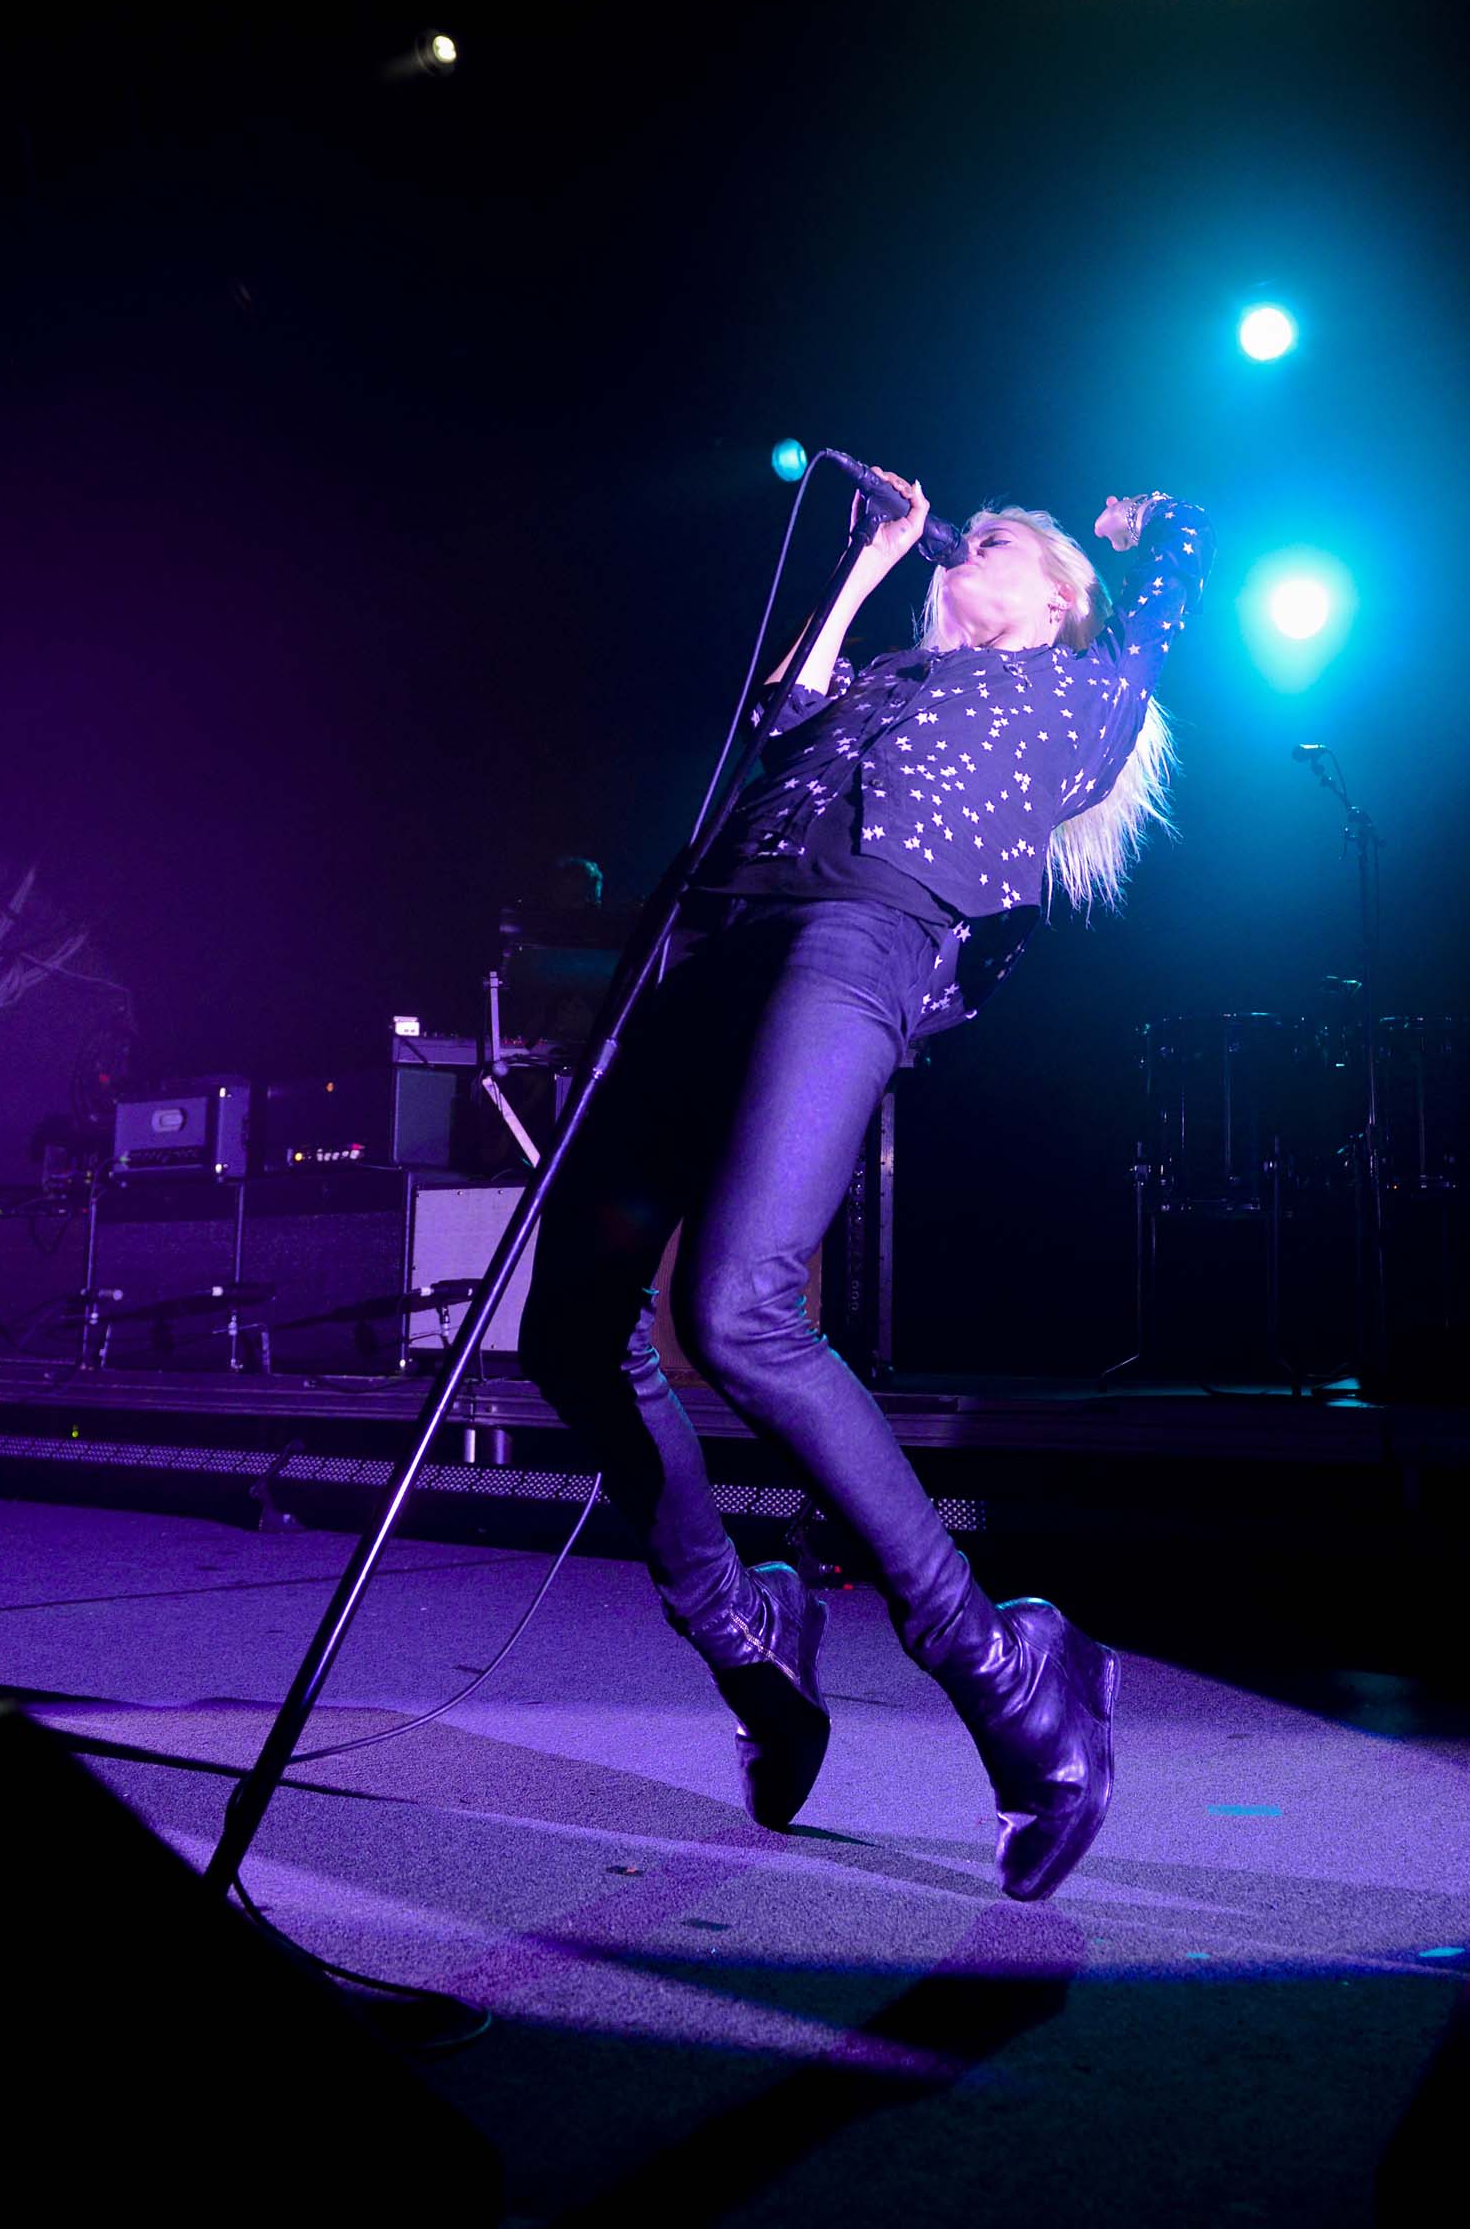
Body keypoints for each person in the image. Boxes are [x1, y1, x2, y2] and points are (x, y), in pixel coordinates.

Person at [519, 471, 1213, 1899]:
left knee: (740, 1312)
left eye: (995, 547)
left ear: (1061, 597)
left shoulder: (1084, 692)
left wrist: (1165, 524)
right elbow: (776, 721)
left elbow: (1178, 587)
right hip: (708, 947)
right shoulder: (890, 671)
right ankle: (741, 1628)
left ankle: (998, 1663)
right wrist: (867, 566)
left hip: (863, 938)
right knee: (566, 1331)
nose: (966, 555)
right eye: (957, 549)